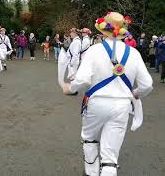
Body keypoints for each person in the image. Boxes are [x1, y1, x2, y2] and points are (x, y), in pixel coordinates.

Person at [62, 12, 153, 176]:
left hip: (96, 103)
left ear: (103, 31)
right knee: (110, 155)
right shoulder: (134, 53)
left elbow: (82, 80)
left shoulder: (94, 50)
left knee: (90, 139)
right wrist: (135, 94)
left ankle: (91, 172)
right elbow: (147, 85)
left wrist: (70, 88)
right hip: (122, 106)